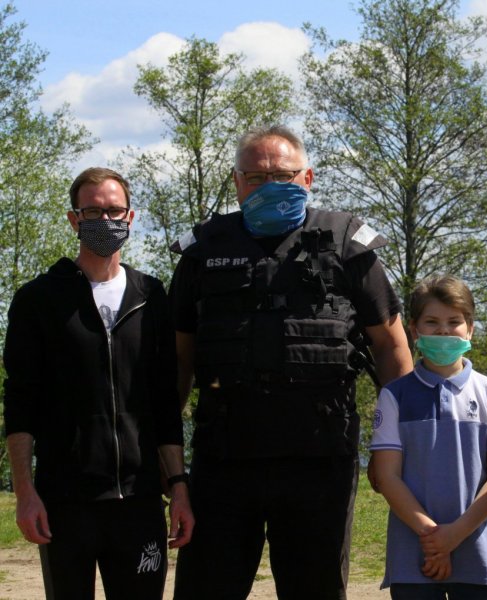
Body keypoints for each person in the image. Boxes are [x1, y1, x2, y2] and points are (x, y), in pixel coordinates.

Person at [170, 124, 414, 599]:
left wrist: (397, 444)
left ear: (308, 178)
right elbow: (178, 362)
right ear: (237, 182)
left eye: (283, 175)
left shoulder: (348, 244)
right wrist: (169, 461)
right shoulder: (204, 251)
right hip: (224, 461)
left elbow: (392, 347)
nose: (270, 186)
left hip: (319, 461)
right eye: (256, 177)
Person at [3, 167, 194, 599]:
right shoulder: (38, 300)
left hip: (140, 502)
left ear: (130, 217)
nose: (105, 221)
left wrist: (179, 487)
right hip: (65, 502)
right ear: (74, 219)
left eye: (114, 211)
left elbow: (165, 403)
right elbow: (20, 403)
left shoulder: (151, 296)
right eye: (92, 212)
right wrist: (25, 492)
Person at [370, 275, 487, 599]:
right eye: (432, 322)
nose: (444, 331)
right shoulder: (393, 396)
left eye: (454, 322)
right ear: (414, 330)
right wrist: (433, 537)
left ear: (470, 328)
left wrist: (454, 535)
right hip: (412, 560)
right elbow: (387, 477)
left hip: (480, 560)